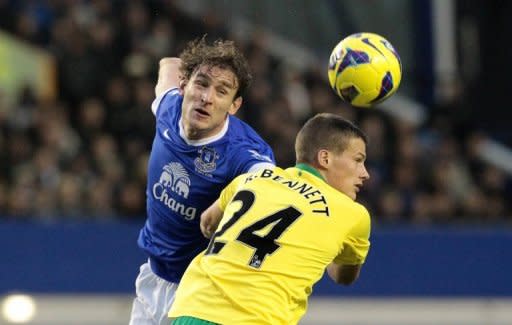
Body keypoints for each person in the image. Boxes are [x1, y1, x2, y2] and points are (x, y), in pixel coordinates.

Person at [169, 113, 372, 325]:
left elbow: (208, 221)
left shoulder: (251, 179)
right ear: (325, 158)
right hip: (258, 317)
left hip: (194, 309)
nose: (365, 173)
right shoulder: (353, 214)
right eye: (358, 160)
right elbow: (343, 276)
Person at [129, 38, 275, 325]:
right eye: (202, 84)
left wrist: (222, 205)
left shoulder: (242, 152)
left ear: (234, 106)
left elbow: (270, 186)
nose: (207, 98)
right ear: (184, 86)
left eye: (222, 92)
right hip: (152, 277)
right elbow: (168, 65)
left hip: (201, 291)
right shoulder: (169, 108)